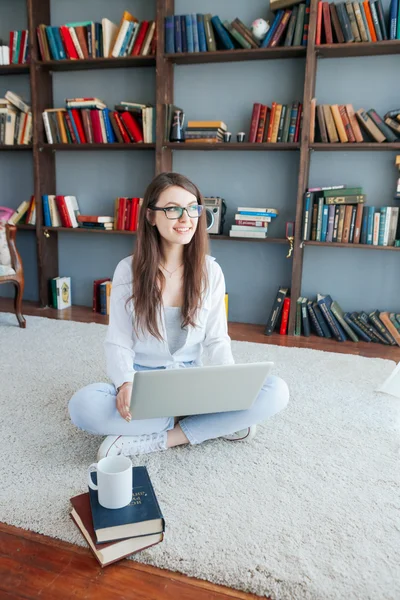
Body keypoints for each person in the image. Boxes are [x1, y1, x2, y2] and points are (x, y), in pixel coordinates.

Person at [68, 172, 289, 460]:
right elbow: (118, 341)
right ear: (151, 216)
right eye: (173, 209)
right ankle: (213, 425)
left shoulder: (211, 271)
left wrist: (231, 387)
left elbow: (216, 339)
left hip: (192, 383)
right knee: (83, 405)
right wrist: (125, 384)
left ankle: (164, 437)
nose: (186, 218)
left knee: (276, 390)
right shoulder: (128, 270)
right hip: (145, 385)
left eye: (194, 208)